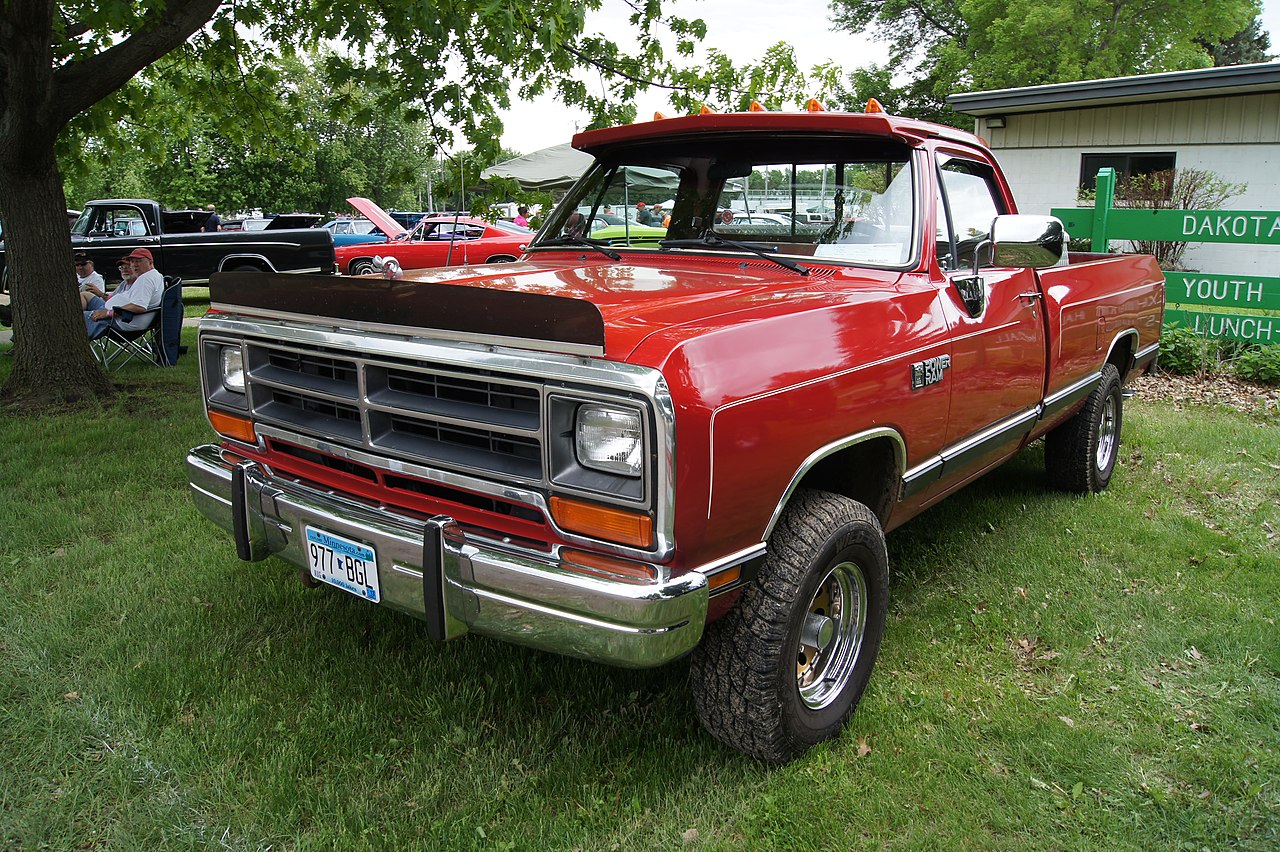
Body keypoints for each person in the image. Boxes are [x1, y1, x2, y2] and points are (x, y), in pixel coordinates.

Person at [83, 248, 165, 338]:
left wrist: (107, 313)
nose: (135, 265)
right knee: (86, 296)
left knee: (75, 318)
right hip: (115, 313)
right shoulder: (155, 275)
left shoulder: (146, 279)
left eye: (139, 261)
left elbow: (139, 306)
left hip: (120, 321)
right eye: (132, 262)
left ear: (150, 262)